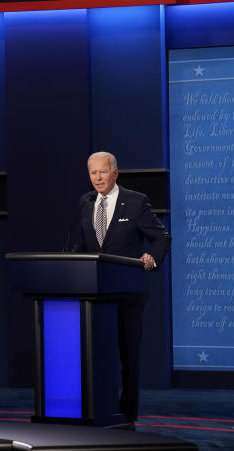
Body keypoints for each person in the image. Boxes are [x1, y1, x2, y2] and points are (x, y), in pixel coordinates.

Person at [70, 151, 171, 424]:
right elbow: (81, 243)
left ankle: (127, 414)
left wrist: (152, 259)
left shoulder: (136, 202)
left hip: (128, 293)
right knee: (93, 355)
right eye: (93, 173)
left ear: (115, 173)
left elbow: (161, 237)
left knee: (128, 357)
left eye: (102, 172)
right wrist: (69, 267)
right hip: (94, 294)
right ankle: (97, 408)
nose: (97, 178)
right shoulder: (86, 202)